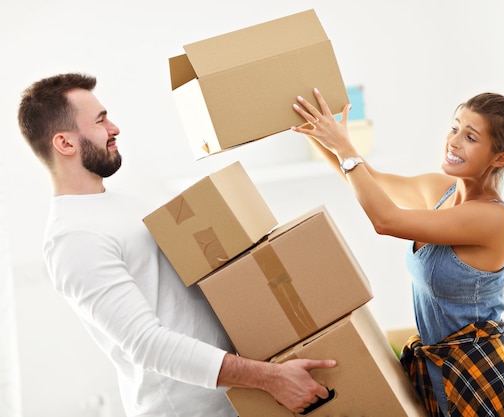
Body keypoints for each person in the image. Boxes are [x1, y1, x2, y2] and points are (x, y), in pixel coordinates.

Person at [17, 73, 336, 417]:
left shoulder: (127, 203)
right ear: (65, 144)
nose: (115, 128)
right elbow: (146, 344)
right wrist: (270, 378)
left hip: (237, 400)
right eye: (100, 120)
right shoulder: (73, 238)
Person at [292, 88, 504, 416]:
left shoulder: (492, 219)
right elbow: (368, 181)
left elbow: (385, 220)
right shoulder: (440, 190)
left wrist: (344, 147)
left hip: (482, 381)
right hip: (440, 377)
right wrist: (317, 133)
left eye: (470, 137)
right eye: (454, 128)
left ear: (499, 158)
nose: (454, 141)